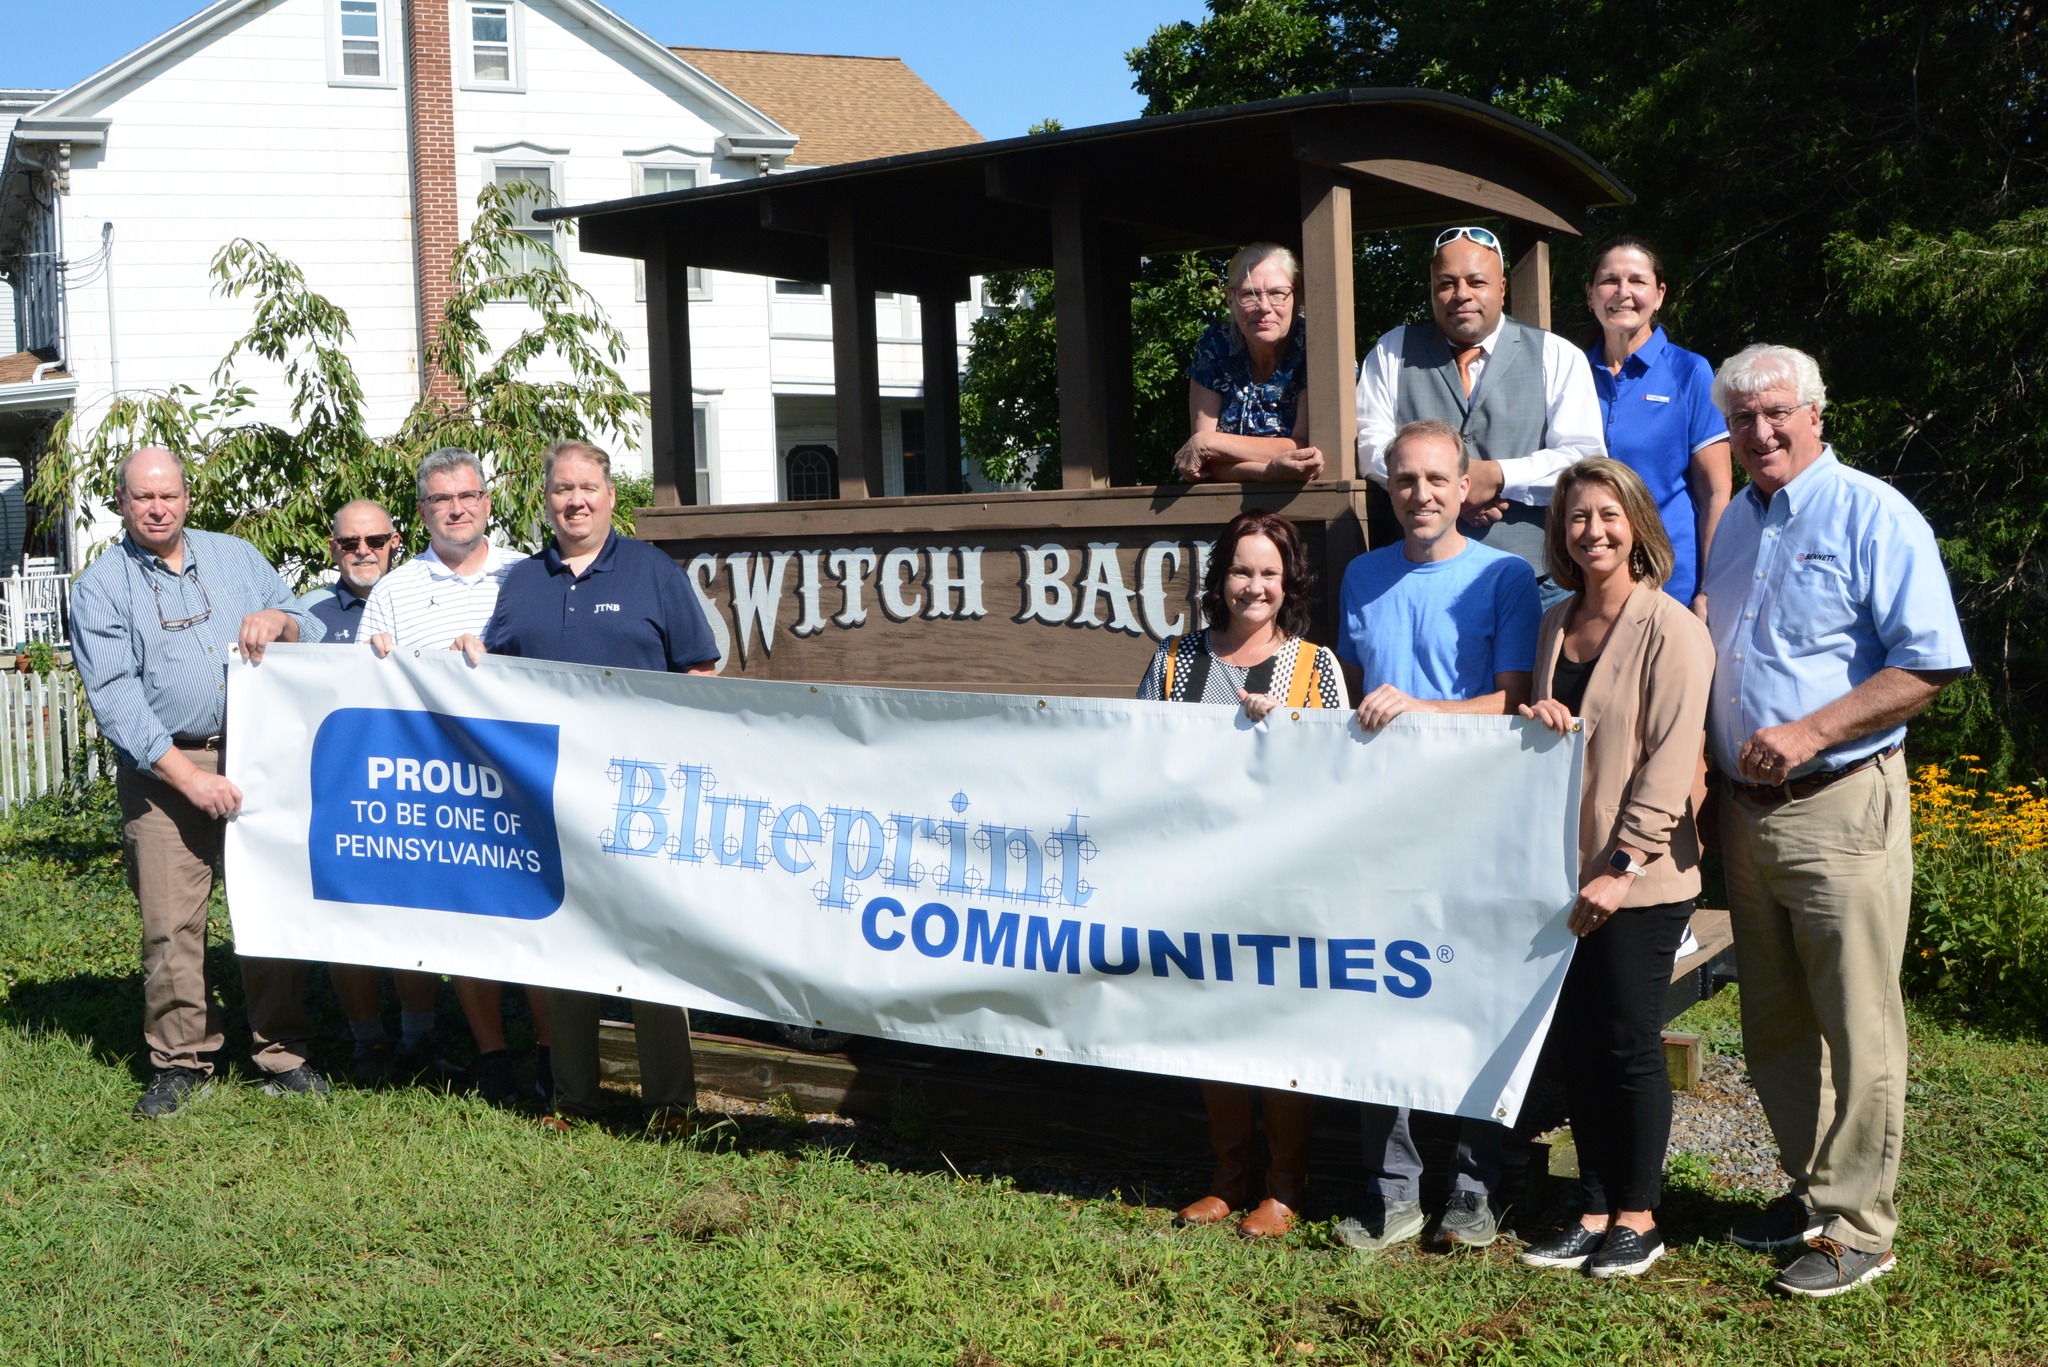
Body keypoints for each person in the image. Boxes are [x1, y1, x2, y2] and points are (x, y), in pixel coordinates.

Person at [1704, 344, 1969, 1298]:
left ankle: (1860, 1225)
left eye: (1778, 414)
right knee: (1773, 1018)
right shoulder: (1737, 517)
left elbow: (1929, 662)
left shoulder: (1873, 512)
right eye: (1743, 420)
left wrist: (1812, 730)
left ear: (1818, 413)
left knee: (1857, 1020)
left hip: (1840, 802)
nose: (1762, 432)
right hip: (1745, 811)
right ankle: (1814, 1192)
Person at [455, 441, 720, 1138]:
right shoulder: (522, 583)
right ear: (545, 500)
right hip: (553, 797)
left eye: (588, 488)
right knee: (566, 943)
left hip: (643, 796)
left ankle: (671, 1105)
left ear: (610, 496)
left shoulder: (653, 573)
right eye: (561, 489)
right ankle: (574, 1097)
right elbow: (498, 679)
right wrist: (470, 663)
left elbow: (700, 673)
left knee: (650, 946)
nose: (574, 500)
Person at [1330, 419, 1540, 1252]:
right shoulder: (1360, 576)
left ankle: (1472, 1189)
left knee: (1471, 1003)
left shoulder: (1506, 577)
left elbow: (1512, 701)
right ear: (1389, 490)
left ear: (1466, 488)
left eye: (1435, 480)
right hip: (1379, 831)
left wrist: (1421, 711)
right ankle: (1394, 1193)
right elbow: (1343, 698)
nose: (1420, 494)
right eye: (1404, 480)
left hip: (1474, 823)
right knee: (1383, 1003)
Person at [69, 446, 327, 1117]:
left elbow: (314, 620)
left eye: (169, 495)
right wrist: (190, 779)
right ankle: (182, 1059)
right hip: (163, 771)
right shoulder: (101, 585)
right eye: (142, 497)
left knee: (267, 908)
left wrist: (284, 620)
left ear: (188, 497)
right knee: (169, 924)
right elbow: (117, 700)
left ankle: (284, 1051)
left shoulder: (236, 556)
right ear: (121, 503)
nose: (157, 507)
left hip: (257, 755)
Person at [1512, 458, 1713, 1279]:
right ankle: (1591, 1204)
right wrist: (1542, 717)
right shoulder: (1554, 622)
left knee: (1630, 1043)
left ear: (1636, 523)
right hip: (1564, 873)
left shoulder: (1672, 628)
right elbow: (1560, 739)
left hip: (1641, 878)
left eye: (1606, 514)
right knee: (1581, 1046)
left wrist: (1622, 865)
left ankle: (1639, 1213)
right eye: (1575, 518)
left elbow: (1671, 761)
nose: (1591, 530)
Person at [1136, 509, 1349, 1237]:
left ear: (1288, 581)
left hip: (1283, 881)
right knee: (1213, 1022)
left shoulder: (1314, 666)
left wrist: (1285, 736)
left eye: (1267, 572)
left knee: (1280, 1026)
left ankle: (1285, 1185)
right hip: (1197, 877)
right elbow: (1137, 762)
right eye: (1240, 570)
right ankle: (1227, 1177)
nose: (1252, 585)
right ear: (1218, 577)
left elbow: (1340, 778)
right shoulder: (1173, 660)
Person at [362, 447, 551, 1106]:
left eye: (467, 496)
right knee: (468, 920)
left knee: (536, 915)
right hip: (440, 782)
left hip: (522, 772)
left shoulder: (527, 576)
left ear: (487, 502)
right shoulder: (394, 590)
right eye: (441, 499)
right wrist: (377, 661)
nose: (456, 508)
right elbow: (365, 692)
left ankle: (553, 1052)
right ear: (422, 511)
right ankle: (494, 1056)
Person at [1354, 225, 1605, 601]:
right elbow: (1370, 447)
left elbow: (1583, 458)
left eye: (1476, 282)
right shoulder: (1392, 350)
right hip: (1417, 578)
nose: (1461, 295)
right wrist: (1448, 489)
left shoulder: (1556, 354)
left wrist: (1499, 476)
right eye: (1446, 283)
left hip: (1533, 584)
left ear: (1502, 288)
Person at [299, 498, 446, 1085]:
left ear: (395, 542)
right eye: (349, 543)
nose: (363, 551)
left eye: (375, 541)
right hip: (339, 789)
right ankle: (368, 1045)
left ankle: (420, 1041)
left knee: (416, 914)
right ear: (332, 549)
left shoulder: (420, 599)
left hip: (415, 787)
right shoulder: (308, 615)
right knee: (347, 921)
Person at [1583, 236, 1731, 614]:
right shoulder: (1571, 373)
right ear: (1590, 294)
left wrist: (1708, 588)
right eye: (1609, 280)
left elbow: (1715, 492)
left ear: (1659, 294)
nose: (1623, 292)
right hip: (1587, 581)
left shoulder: (1688, 371)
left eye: (1637, 280)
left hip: (1670, 582)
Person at [1171, 243, 1324, 484]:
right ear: (1230, 299)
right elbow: (1205, 465)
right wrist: (1268, 472)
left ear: (1296, 297)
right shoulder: (1216, 344)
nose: (1264, 307)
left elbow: (1304, 448)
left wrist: (1209, 442)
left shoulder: (1316, 346)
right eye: (1249, 294)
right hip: (1225, 507)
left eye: (1277, 293)